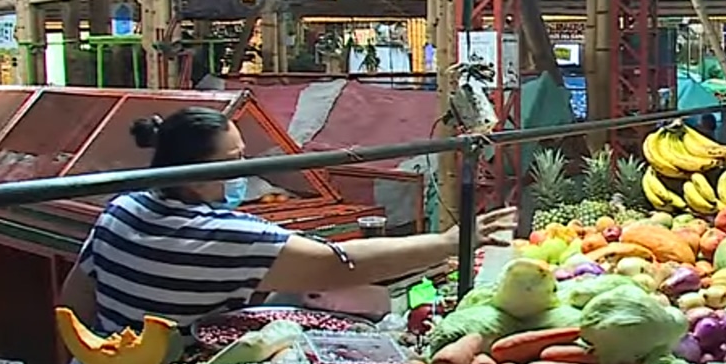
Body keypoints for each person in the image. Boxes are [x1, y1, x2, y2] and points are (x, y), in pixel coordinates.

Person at [59, 107, 517, 337]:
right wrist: (451, 241)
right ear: (198, 175)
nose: (244, 168)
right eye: (234, 160)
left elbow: (74, 303)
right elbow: (338, 264)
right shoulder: (226, 236)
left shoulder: (120, 209)